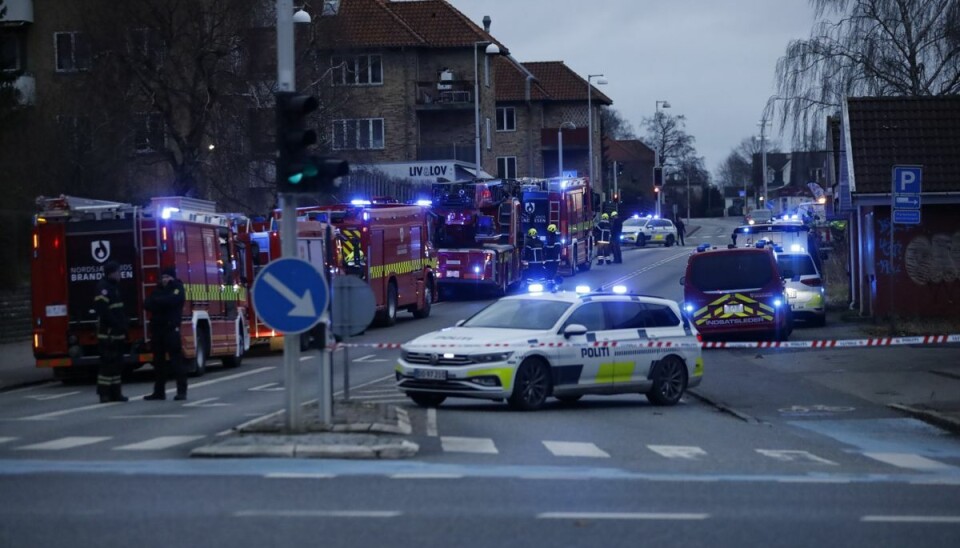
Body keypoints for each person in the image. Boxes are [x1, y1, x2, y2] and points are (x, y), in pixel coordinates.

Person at [144, 266, 188, 401]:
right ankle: (159, 392)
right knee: (158, 363)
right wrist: (162, 301)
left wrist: (159, 301)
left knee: (176, 362)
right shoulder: (157, 290)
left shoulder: (178, 288)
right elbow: (147, 304)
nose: (164, 280)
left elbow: (173, 300)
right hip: (158, 330)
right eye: (163, 277)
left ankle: (181, 391)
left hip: (171, 329)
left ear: (172, 277)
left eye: (167, 277)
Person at [93, 261, 128, 403]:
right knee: (107, 365)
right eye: (118, 272)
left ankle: (116, 393)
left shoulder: (113, 287)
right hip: (108, 334)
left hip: (117, 333)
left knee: (116, 365)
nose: (120, 275)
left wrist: (124, 326)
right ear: (111, 273)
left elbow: (118, 310)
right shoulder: (103, 288)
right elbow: (104, 312)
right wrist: (116, 324)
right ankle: (104, 394)